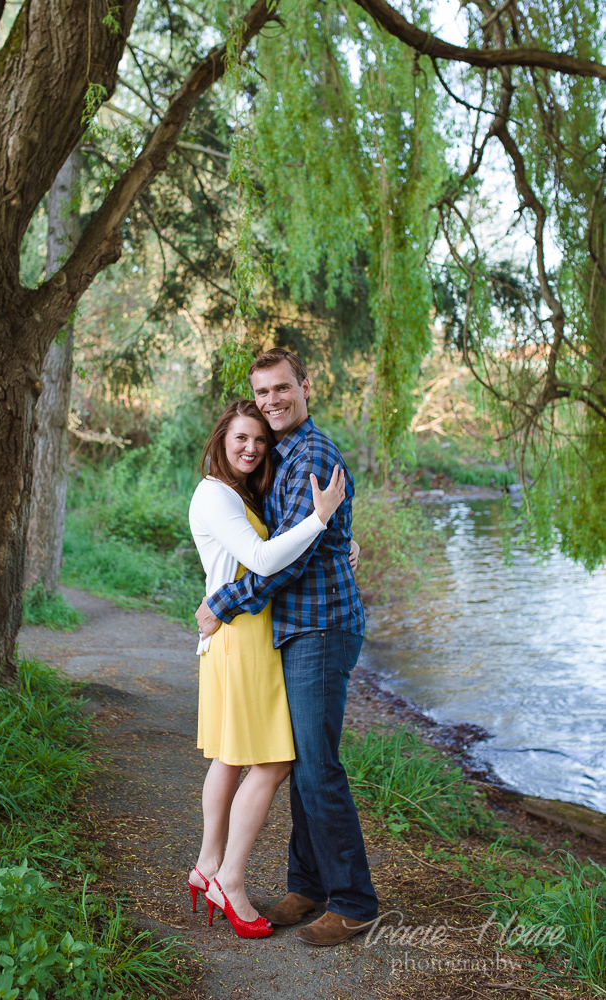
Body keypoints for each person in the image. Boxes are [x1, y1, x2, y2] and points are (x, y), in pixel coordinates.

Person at [196, 348, 379, 947]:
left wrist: (223, 601)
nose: (273, 400)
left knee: (317, 767)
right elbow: (294, 538)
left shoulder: (314, 452)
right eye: (263, 392)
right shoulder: (283, 454)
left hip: (320, 626)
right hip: (296, 627)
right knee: (301, 763)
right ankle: (308, 884)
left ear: (305, 387)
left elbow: (288, 557)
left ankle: (353, 902)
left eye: (282, 389)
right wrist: (341, 539)